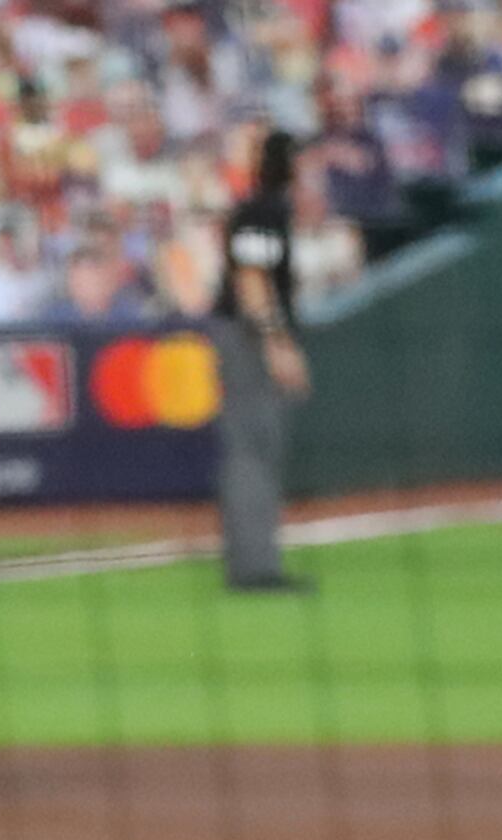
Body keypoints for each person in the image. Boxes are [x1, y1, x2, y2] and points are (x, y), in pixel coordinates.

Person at [214, 128, 312, 593]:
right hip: (247, 340)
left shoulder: (269, 210)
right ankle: (254, 569)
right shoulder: (260, 211)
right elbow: (252, 282)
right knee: (253, 450)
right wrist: (277, 345)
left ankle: (256, 563)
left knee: (257, 449)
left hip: (248, 338)